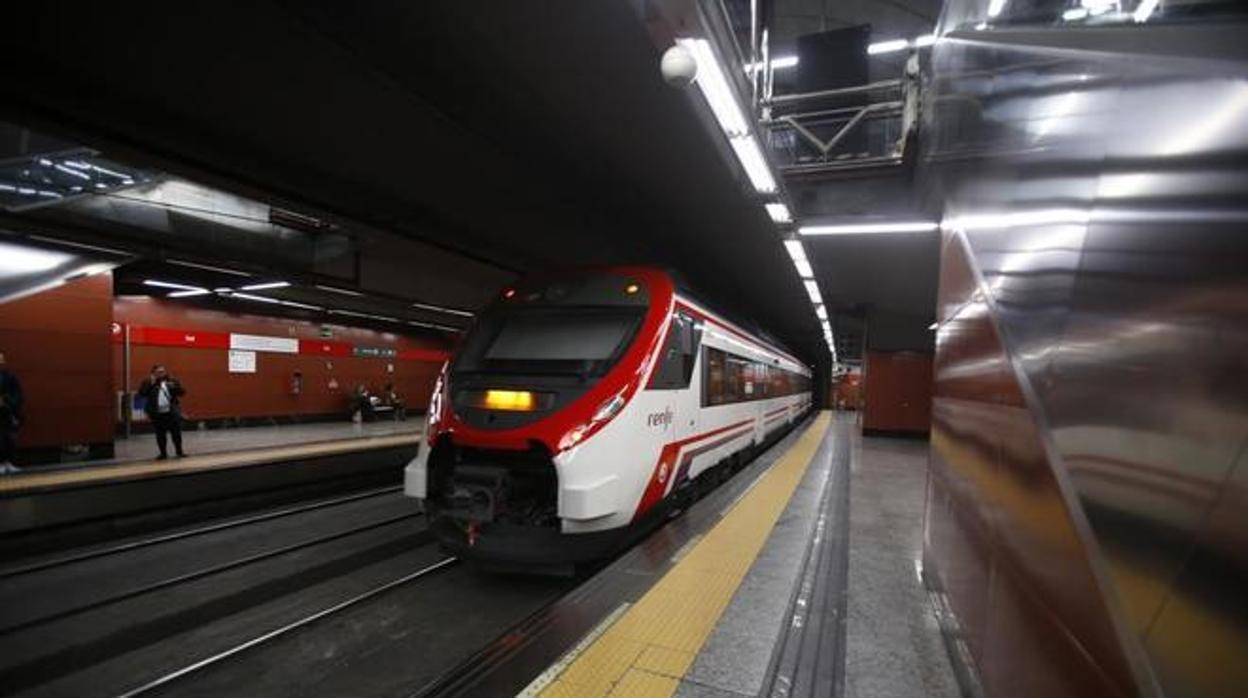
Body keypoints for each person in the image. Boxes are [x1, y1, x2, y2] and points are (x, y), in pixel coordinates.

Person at [138, 365, 186, 460]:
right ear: (153, 373)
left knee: (176, 433)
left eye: (163, 371)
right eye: (159, 372)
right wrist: (151, 384)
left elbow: (182, 392)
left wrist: (174, 387)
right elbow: (142, 393)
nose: (162, 373)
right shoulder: (148, 382)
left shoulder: (172, 381)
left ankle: (179, 452)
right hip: (157, 413)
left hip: (171, 412)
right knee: (160, 434)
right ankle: (163, 453)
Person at [0, 351, 23, 474]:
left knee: (10, 439)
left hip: (7, 413)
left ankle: (8, 462)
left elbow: (17, 394)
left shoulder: (10, 376)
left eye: (1, 359)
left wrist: (6, 401)